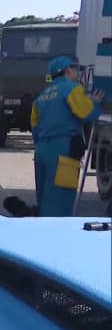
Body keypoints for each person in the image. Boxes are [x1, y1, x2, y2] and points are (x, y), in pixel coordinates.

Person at [31, 56, 105, 216]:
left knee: (44, 199)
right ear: (68, 71)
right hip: (63, 150)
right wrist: (95, 102)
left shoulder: (42, 96)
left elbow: (35, 128)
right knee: (60, 201)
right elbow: (86, 112)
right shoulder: (72, 89)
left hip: (42, 151)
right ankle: (58, 239)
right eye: (75, 69)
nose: (77, 73)